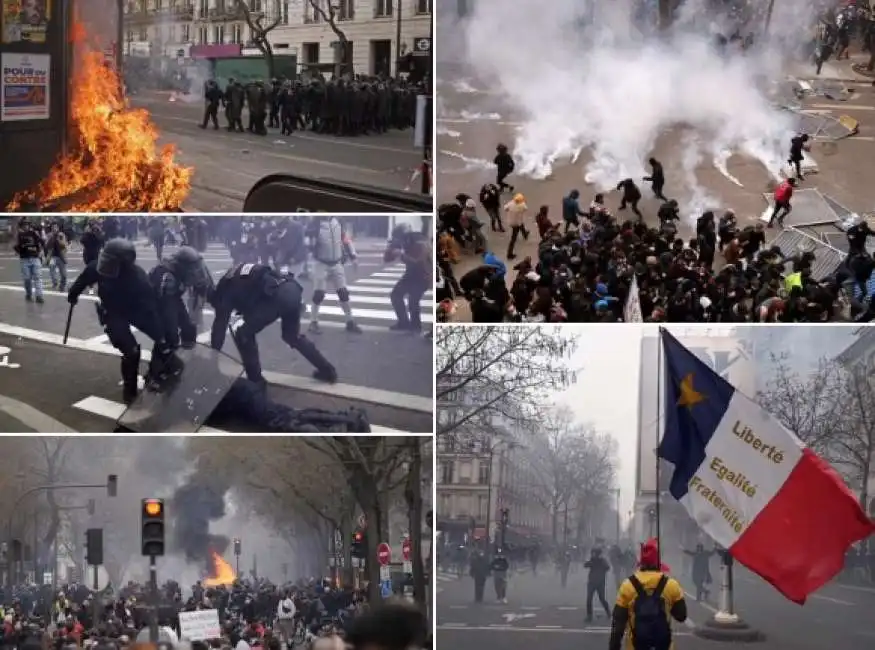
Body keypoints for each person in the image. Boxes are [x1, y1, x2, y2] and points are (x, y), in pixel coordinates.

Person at [67, 238, 181, 404]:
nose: (104, 265)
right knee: (131, 351)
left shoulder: (139, 280)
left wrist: (160, 338)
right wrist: (73, 295)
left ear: (125, 264)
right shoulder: (98, 267)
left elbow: (150, 312)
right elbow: (83, 279)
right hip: (112, 311)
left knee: (165, 341)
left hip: (135, 311)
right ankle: (130, 392)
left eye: (110, 262)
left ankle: (155, 375)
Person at [208, 261, 338, 388]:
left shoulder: (225, 291)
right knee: (292, 336)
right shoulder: (234, 276)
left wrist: (212, 357)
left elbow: (219, 327)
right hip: (291, 289)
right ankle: (327, 370)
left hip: (276, 296)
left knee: (243, 333)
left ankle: (256, 382)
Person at [609, 538, 687, 650]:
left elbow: (618, 625)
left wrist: (613, 647)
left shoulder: (627, 585)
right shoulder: (671, 585)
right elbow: (681, 616)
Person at [14, 218, 44, 303]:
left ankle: (39, 296)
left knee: (37, 278)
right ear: (21, 226)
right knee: (27, 279)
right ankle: (29, 293)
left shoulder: (34, 233)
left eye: (27, 225)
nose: (26, 226)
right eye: (24, 225)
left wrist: (41, 251)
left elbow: (42, 242)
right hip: (24, 259)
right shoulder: (19, 235)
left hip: (35, 258)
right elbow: (16, 247)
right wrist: (18, 249)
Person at [584, 547, 612, 623]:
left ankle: (608, 612)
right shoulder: (592, 560)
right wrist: (591, 561)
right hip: (592, 582)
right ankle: (589, 616)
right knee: (589, 599)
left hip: (600, 583)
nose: (592, 554)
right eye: (592, 553)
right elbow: (585, 565)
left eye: (593, 553)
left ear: (597, 554)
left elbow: (607, 567)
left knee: (602, 598)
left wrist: (600, 562)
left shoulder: (602, 560)